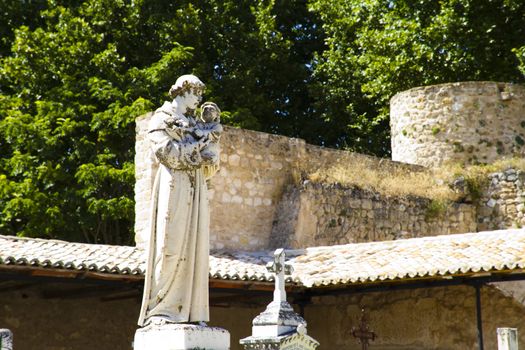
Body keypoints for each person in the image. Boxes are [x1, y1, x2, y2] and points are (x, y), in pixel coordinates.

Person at [138, 74, 220, 327]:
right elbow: (167, 154)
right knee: (170, 245)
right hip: (174, 186)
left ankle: (189, 311)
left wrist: (211, 158)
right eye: (196, 94)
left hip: (195, 190)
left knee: (194, 250)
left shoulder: (197, 125)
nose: (199, 101)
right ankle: (162, 309)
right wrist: (199, 151)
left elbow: (210, 162)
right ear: (184, 91)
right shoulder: (160, 120)